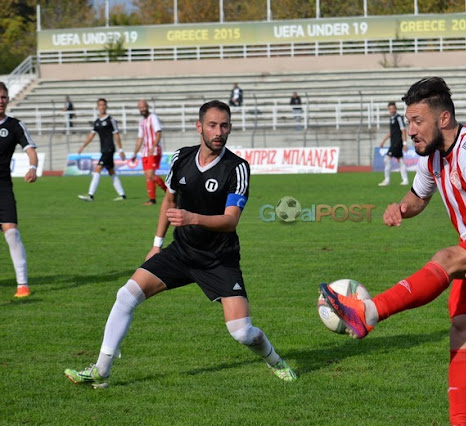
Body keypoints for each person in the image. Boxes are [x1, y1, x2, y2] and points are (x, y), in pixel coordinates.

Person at [320, 77, 466, 425]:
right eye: (408, 122)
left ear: (443, 119)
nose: (410, 130)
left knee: (447, 257)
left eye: (417, 121)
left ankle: (368, 313)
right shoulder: (432, 158)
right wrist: (401, 208)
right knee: (463, 330)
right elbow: (418, 196)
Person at [65, 100, 296, 388]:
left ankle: (275, 360)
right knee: (126, 295)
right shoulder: (181, 158)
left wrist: (192, 217)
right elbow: (170, 200)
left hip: (218, 260)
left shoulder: (236, 168)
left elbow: (230, 220)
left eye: (224, 125)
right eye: (212, 125)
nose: (218, 131)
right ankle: (101, 370)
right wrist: (156, 243)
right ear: (199, 127)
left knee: (242, 332)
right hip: (181, 252)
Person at [0, 82, 38, 298]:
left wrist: (33, 166)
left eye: (3, 97)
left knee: (12, 233)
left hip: (3, 187)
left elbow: (31, 150)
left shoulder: (15, 125)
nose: (0, 101)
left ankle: (22, 285)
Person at [77, 98, 127, 201]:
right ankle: (122, 195)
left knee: (98, 168)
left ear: (106, 106)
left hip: (109, 149)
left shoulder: (111, 120)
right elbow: (91, 136)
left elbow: (116, 134)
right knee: (111, 171)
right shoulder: (96, 122)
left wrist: (121, 149)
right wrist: (83, 146)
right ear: (97, 107)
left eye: (103, 105)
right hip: (103, 149)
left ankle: (90, 195)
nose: (102, 107)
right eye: (100, 105)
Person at [131, 99, 166, 205]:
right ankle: (152, 199)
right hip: (145, 152)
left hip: (154, 151)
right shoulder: (141, 121)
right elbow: (140, 138)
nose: (143, 109)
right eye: (141, 107)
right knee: (147, 176)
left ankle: (169, 192)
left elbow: (158, 133)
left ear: (147, 107)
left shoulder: (153, 117)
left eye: (144, 107)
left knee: (151, 174)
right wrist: (134, 153)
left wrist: (153, 147)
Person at [378, 101, 409, 186]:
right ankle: (405, 179)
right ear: (388, 109)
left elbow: (403, 130)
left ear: (395, 109)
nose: (392, 110)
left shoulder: (398, 118)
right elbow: (391, 132)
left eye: (393, 108)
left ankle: (387, 180)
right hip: (393, 142)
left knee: (387, 159)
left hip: (397, 143)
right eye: (390, 109)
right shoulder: (391, 118)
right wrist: (383, 141)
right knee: (400, 160)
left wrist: (405, 143)